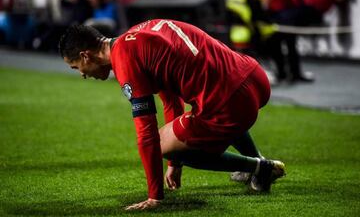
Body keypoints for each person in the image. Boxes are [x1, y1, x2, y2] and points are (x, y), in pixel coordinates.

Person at [58, 19, 286, 210]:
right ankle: (260, 162)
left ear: (85, 56)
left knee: (165, 144)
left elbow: (147, 133)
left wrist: (154, 195)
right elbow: (171, 100)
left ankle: (259, 168)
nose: (82, 75)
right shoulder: (139, 32)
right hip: (254, 77)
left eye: (76, 67)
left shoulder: (125, 59)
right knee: (203, 117)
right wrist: (174, 164)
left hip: (231, 102)